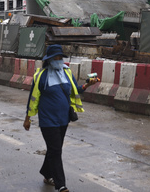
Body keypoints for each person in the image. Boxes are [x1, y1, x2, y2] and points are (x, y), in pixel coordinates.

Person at [24, 44, 98, 192]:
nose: (58, 60)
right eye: (55, 58)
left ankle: (46, 174)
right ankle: (61, 185)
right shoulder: (41, 76)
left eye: (60, 57)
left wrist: (87, 85)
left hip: (63, 119)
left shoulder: (66, 72)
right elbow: (33, 98)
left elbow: (74, 90)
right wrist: (28, 118)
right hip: (47, 121)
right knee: (56, 151)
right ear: (49, 60)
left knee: (53, 149)